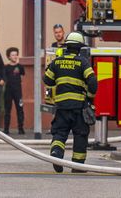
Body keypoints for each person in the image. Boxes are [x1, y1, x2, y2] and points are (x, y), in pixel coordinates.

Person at [43, 31, 97, 173]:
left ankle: (56, 154)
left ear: (66, 46)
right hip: (79, 107)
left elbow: (47, 80)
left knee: (59, 133)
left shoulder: (57, 62)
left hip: (61, 107)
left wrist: (51, 69)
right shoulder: (83, 62)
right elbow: (93, 82)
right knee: (80, 135)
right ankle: (78, 166)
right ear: (79, 48)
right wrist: (89, 98)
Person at [2, 47, 25, 135]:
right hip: (8, 92)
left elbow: (22, 76)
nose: (15, 56)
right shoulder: (6, 67)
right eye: (12, 55)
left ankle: (21, 129)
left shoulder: (20, 67)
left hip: (18, 92)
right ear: (9, 56)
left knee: (20, 110)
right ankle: (6, 129)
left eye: (16, 55)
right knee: (7, 110)